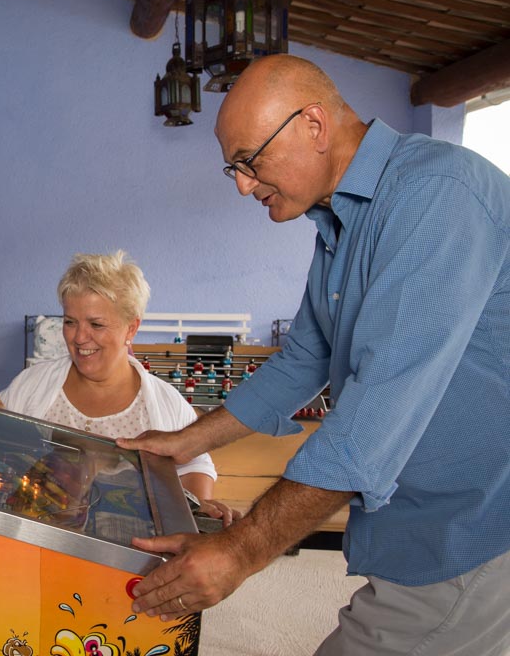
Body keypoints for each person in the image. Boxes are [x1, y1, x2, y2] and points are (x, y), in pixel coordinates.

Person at [117, 54, 510, 655]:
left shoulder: (437, 195)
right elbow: (305, 356)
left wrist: (240, 550)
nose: (244, 184)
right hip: (416, 514)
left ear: (314, 126)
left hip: (475, 516)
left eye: (250, 161)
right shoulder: (339, 222)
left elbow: (371, 420)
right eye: (234, 170)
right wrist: (186, 441)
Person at [0, 250, 235, 524]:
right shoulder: (34, 383)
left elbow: (195, 464)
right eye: (70, 322)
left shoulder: (164, 403)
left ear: (131, 328)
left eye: (96, 324)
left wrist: (200, 507)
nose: (80, 337)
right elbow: (2, 449)